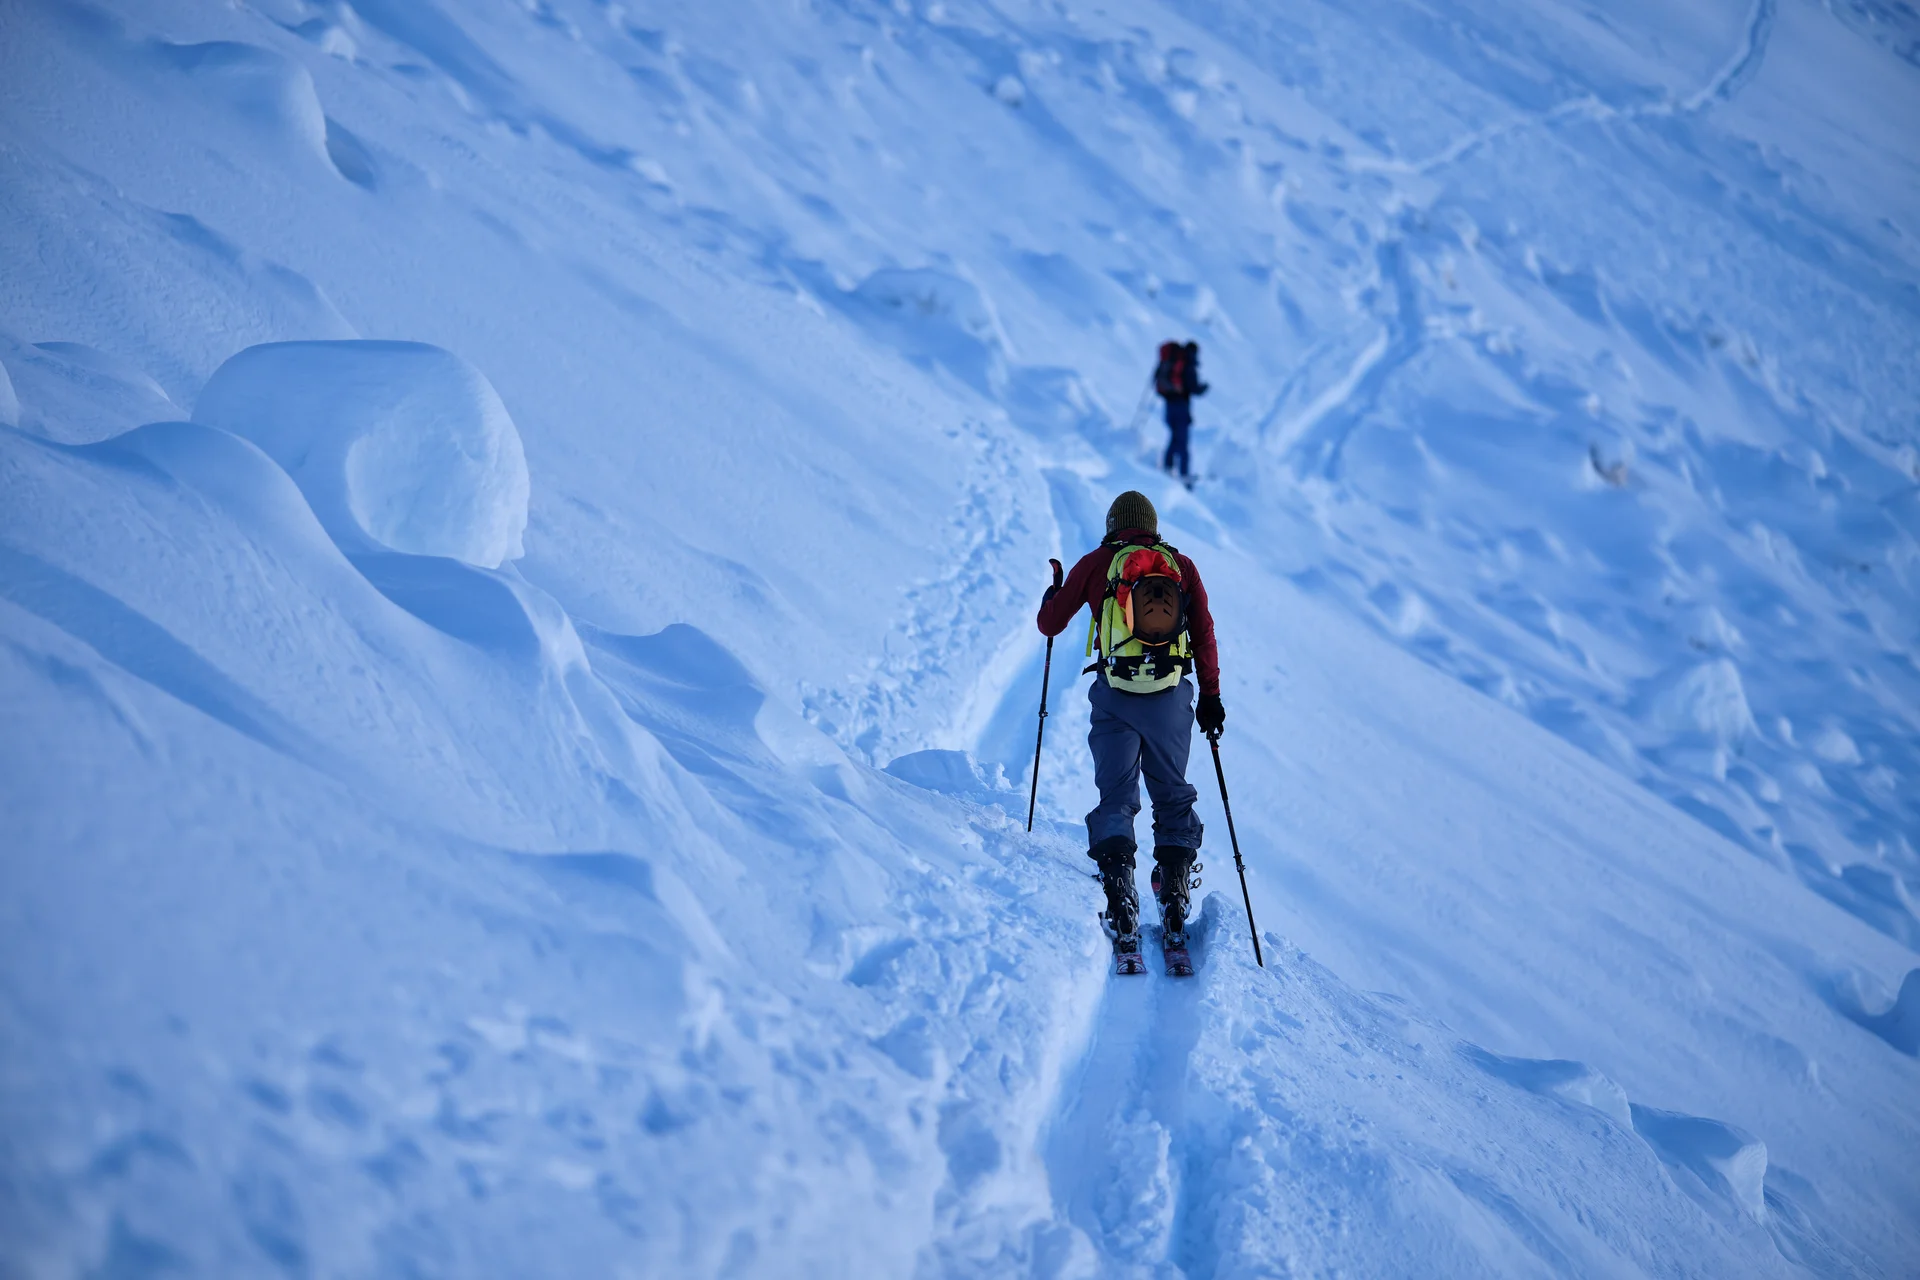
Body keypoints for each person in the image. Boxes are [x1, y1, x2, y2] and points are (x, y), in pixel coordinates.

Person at [1036, 490, 1225, 972]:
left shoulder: (1097, 563)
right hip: (1170, 699)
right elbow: (1203, 632)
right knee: (1172, 794)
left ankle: (1120, 895)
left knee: (1117, 796)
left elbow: (1050, 625)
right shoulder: (1180, 566)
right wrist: (1210, 696)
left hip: (1115, 696)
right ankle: (1174, 893)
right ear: (1153, 526)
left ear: (1112, 525)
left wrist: (1054, 594)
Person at [1153, 341, 1208, 485]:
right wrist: (1203, 388)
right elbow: (1193, 387)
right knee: (1183, 441)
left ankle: (1168, 467)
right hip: (1181, 406)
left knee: (1174, 438)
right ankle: (1184, 474)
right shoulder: (1188, 365)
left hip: (1169, 405)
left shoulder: (1174, 361)